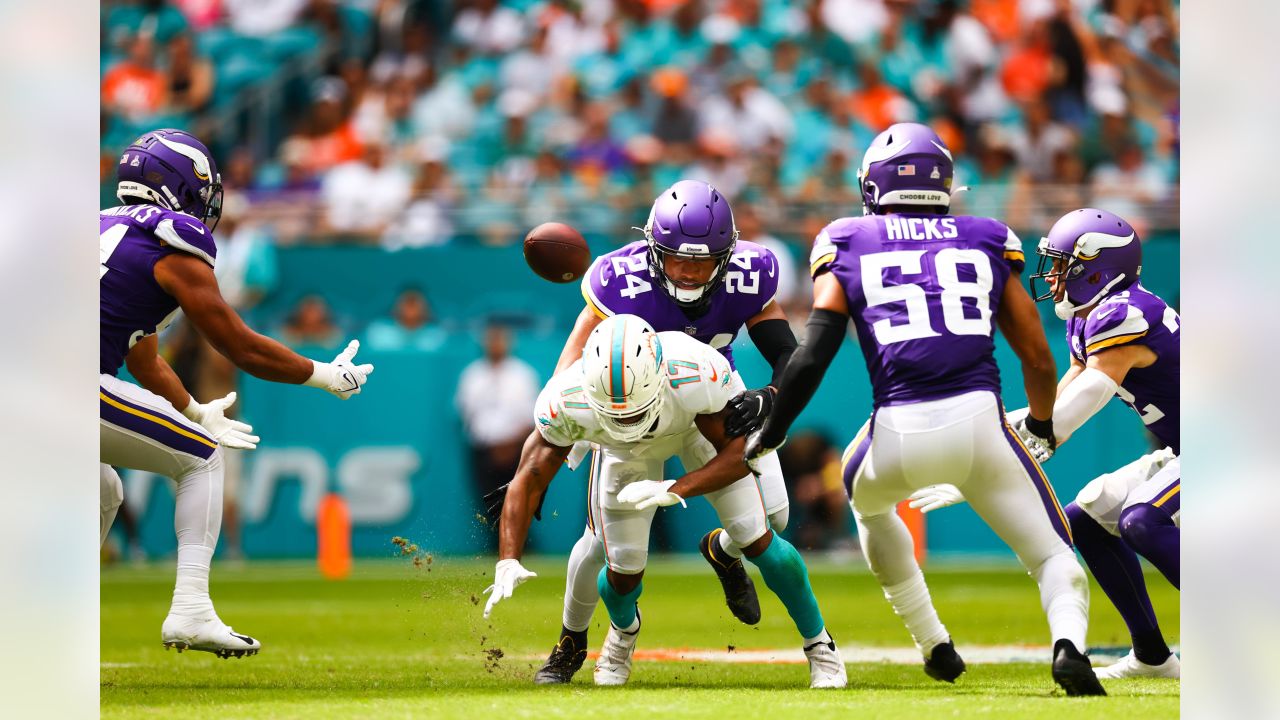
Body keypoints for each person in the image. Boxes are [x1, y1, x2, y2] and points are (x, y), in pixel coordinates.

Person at [745, 123, 1106, 696]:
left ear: (873, 185)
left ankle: (933, 642)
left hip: (897, 429)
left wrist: (771, 432)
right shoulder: (987, 236)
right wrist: (1039, 423)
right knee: (1051, 555)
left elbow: (812, 354)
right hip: (983, 426)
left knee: (866, 502)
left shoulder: (846, 238)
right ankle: (1068, 645)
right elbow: (1037, 356)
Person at [495, 180, 801, 685]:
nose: (689, 272)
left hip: (707, 398)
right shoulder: (620, 277)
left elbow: (788, 354)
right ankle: (572, 640)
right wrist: (567, 417)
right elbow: (575, 353)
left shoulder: (751, 273)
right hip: (634, 403)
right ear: (653, 250)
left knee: (777, 520)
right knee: (600, 544)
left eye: (703, 261)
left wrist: (770, 394)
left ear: (728, 254)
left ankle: (722, 550)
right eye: (677, 258)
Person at [101, 129, 374, 657]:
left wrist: (194, 408)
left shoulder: (105, 229)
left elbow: (145, 361)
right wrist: (322, 374)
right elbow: (239, 345)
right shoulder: (169, 241)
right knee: (202, 458)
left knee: (104, 490)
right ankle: (191, 612)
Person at [483, 315, 845, 689]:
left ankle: (821, 645)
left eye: (635, 410)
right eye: (614, 412)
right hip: (622, 453)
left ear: (658, 377)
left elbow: (741, 455)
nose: (627, 419)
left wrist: (678, 487)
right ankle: (624, 632)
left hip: (695, 429)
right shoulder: (566, 398)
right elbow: (529, 477)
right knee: (623, 571)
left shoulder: (694, 371)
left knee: (756, 535)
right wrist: (508, 557)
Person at [913, 208, 1181, 679]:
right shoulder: (1092, 317)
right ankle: (1153, 657)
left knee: (1142, 519)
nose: (1053, 275)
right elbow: (1054, 407)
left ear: (1097, 267)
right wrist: (987, 449)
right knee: (1087, 520)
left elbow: (1091, 394)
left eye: (1063, 265)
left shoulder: (1124, 312)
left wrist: (1026, 450)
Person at [456, 323, 539, 531]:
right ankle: (497, 548)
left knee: (518, 500)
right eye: (491, 340)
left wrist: (510, 445)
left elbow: (533, 416)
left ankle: (524, 547)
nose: (495, 345)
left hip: (517, 449)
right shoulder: (473, 374)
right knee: (490, 504)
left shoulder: (522, 374)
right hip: (483, 450)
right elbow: (466, 414)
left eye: (499, 339)